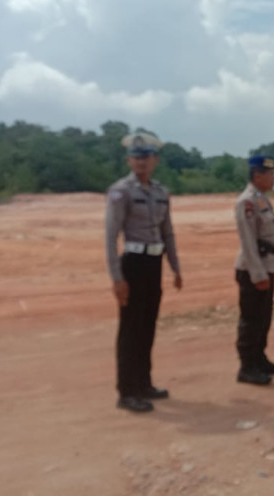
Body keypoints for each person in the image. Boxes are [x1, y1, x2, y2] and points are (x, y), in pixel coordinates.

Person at [105, 131, 182, 413]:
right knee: (130, 329)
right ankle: (127, 391)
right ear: (128, 160)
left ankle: (144, 382)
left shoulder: (161, 192)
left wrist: (175, 267)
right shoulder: (120, 192)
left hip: (154, 264)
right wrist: (117, 278)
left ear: (155, 160)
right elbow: (110, 238)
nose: (141, 163)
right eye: (136, 158)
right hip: (133, 264)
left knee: (148, 326)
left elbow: (168, 233)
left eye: (146, 157)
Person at [234, 155, 274, 386]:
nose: (273, 179)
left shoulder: (262, 200)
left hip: (267, 265)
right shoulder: (245, 202)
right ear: (257, 176)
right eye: (270, 175)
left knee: (264, 318)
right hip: (253, 270)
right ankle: (246, 367)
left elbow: (270, 236)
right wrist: (258, 274)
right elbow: (248, 241)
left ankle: (260, 359)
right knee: (251, 319)